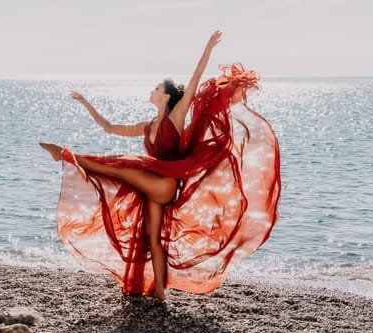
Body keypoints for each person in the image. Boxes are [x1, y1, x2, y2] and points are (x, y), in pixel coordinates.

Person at [40, 30, 280, 300]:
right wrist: (86, 103)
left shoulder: (175, 118)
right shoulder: (148, 126)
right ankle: (160, 293)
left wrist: (208, 49)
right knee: (152, 239)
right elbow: (109, 128)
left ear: (165, 96)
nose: (151, 91)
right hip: (152, 187)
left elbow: (195, 80)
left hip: (165, 184)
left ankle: (65, 155)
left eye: (156, 88)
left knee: (122, 166)